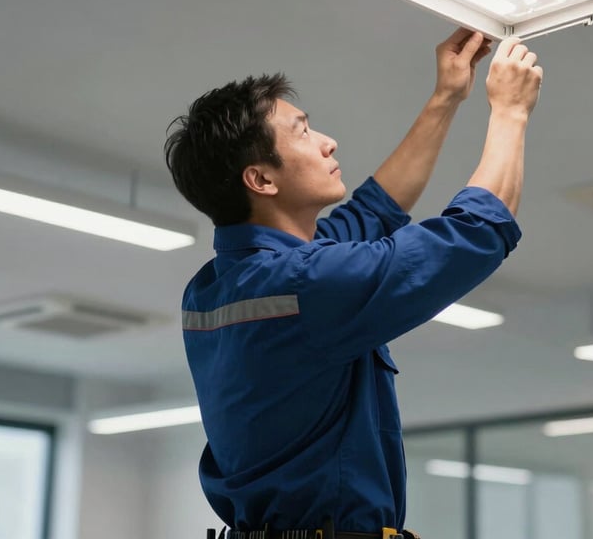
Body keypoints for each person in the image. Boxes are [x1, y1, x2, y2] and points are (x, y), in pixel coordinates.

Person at [164, 28, 543, 539]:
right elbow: (476, 231)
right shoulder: (304, 285)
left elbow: (373, 211)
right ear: (261, 180)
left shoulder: (217, 287)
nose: (327, 141)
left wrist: (446, 97)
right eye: (302, 132)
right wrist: (511, 113)